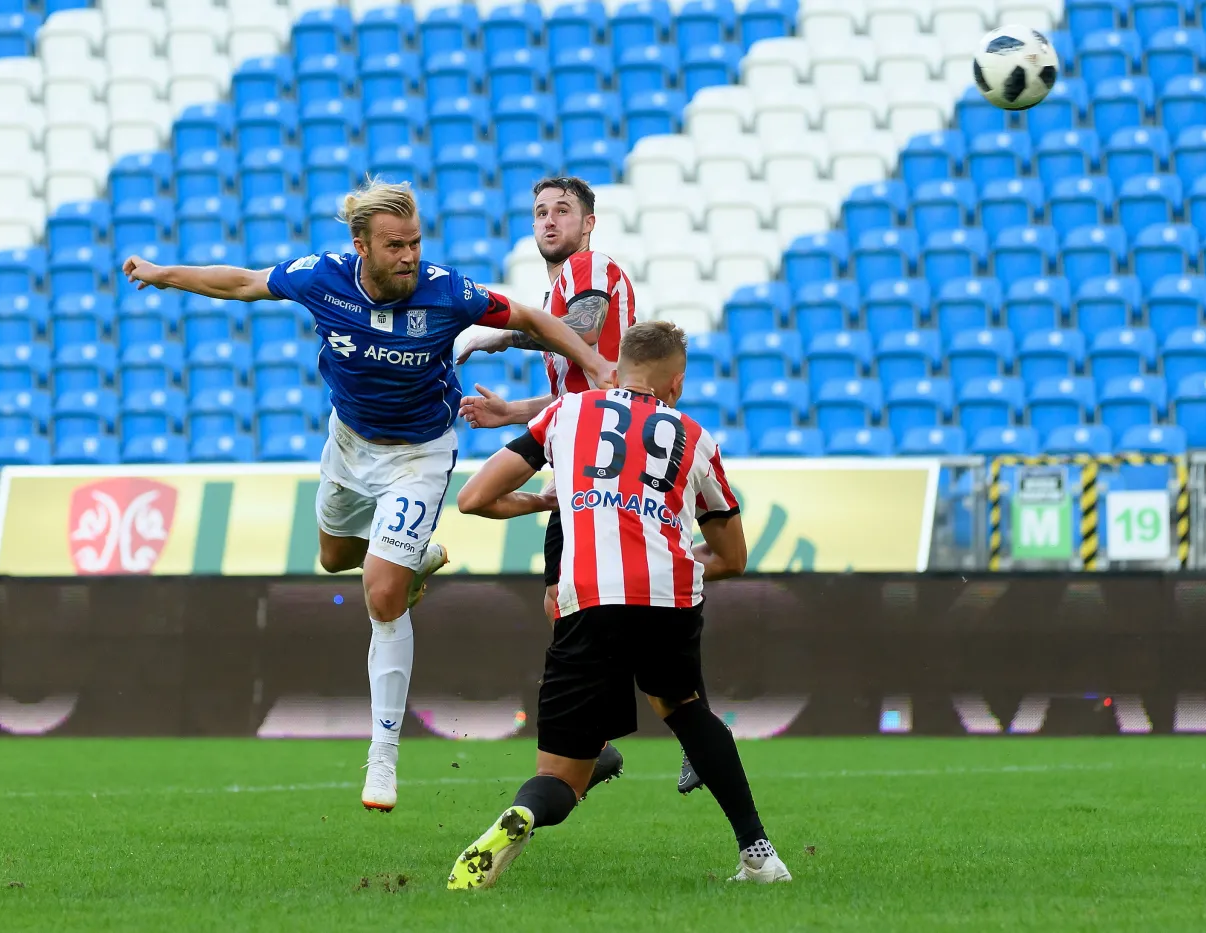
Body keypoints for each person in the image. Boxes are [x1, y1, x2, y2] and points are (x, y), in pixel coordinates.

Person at [121, 178, 615, 813]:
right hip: (349, 448)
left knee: (381, 594)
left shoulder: (447, 291)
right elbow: (242, 282)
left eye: (414, 242)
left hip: (420, 454)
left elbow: (527, 316)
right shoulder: (321, 277)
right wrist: (165, 274)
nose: (409, 256)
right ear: (360, 246)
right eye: (394, 246)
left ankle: (382, 757)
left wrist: (595, 365)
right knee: (332, 557)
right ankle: (412, 559)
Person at [447, 321, 791, 890]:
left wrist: (544, 499)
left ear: (620, 364)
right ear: (674, 383)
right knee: (684, 708)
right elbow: (733, 557)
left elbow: (473, 498)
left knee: (559, 776)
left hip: (588, 599)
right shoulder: (695, 436)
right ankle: (758, 854)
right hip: (669, 597)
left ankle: (527, 813)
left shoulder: (568, 413)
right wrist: (673, 552)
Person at [456, 176, 705, 796]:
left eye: (562, 211)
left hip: (609, 459)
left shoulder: (588, 268)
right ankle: (600, 743)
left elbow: (585, 331)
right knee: (563, 599)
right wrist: (513, 412)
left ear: (588, 223)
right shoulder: (562, 286)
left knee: (605, 602)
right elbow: (580, 388)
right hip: (588, 451)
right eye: (540, 212)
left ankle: (684, 735)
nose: (548, 221)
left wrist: (497, 332)